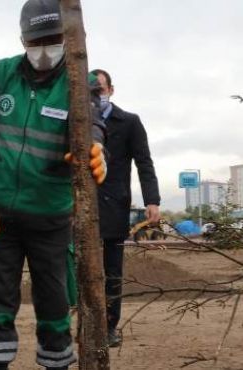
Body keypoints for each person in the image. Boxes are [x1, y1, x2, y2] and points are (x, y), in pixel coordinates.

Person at [0, 0, 108, 368]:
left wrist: (95, 146)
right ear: (22, 39)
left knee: (54, 299)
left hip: (51, 215)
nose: (43, 51)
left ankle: (56, 362)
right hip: (0, 216)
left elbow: (93, 122)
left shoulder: (81, 78)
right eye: (34, 42)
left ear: (66, 37)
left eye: (52, 40)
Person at [91, 68, 160, 347]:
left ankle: (109, 327)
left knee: (112, 272)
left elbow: (144, 162)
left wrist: (152, 201)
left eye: (101, 90)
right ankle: (86, 322)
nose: (98, 96)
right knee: (80, 269)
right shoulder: (77, 121)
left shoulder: (129, 122)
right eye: (92, 91)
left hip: (114, 206)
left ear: (111, 90)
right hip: (80, 209)